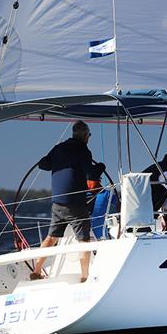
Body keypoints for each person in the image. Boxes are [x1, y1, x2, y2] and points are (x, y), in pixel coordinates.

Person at [31, 121, 103, 283]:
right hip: (76, 204)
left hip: (58, 203)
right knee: (83, 241)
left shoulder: (59, 148)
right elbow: (91, 175)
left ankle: (36, 271)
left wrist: (58, 159)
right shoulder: (83, 150)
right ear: (85, 136)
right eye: (89, 136)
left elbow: (43, 164)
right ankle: (84, 277)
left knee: (51, 238)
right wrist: (101, 167)